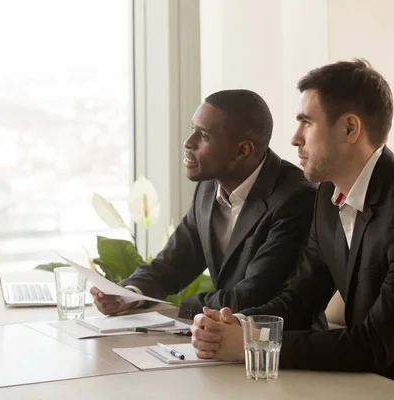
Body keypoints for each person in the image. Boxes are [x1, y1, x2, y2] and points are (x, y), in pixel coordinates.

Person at [191, 59, 394, 379]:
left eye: (306, 122)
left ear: (349, 128)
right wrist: (232, 326)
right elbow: (299, 302)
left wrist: (248, 342)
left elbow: (376, 344)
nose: (295, 138)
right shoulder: (326, 199)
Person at [91, 89, 317, 319]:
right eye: (192, 130)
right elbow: (171, 264)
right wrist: (128, 295)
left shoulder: (296, 198)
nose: (188, 143)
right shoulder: (208, 187)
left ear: (242, 150)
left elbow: (252, 295)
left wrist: (178, 308)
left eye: (204, 136)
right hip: (216, 334)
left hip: (271, 344)